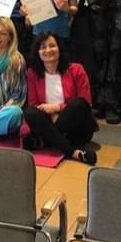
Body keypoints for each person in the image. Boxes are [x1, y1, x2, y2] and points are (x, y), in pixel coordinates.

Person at [23, 33, 97, 164]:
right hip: (48, 121)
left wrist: (57, 108)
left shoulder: (77, 69)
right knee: (30, 112)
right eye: (43, 47)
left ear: (59, 48)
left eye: (52, 46)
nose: (48, 50)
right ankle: (74, 152)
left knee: (78, 104)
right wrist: (51, 115)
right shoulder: (32, 73)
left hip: (76, 128)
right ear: (37, 52)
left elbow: (86, 103)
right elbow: (34, 104)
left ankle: (46, 140)